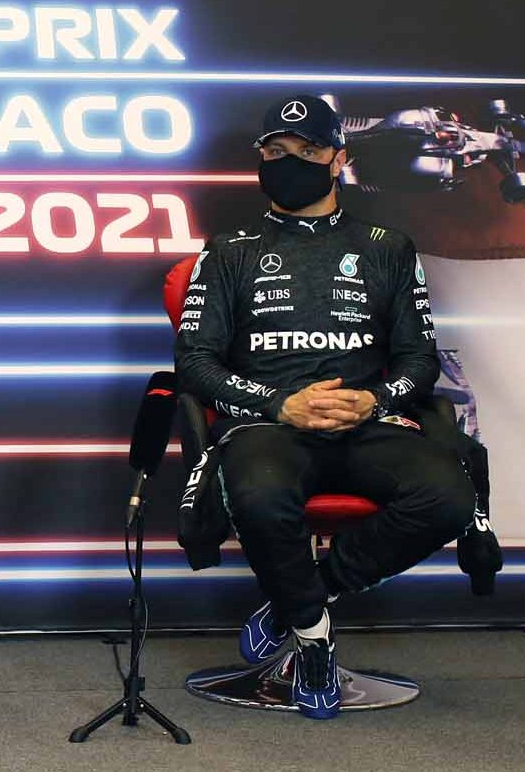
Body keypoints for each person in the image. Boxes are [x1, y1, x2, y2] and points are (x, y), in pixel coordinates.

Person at [175, 94, 475, 719]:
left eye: (308, 152)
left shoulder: (387, 246)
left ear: (338, 159)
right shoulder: (228, 248)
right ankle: (314, 640)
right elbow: (196, 363)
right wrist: (282, 404)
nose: (290, 163)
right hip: (270, 424)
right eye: (275, 152)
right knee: (257, 492)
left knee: (448, 497)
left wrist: (373, 398)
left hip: (366, 422)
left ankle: (297, 600)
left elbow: (420, 360)